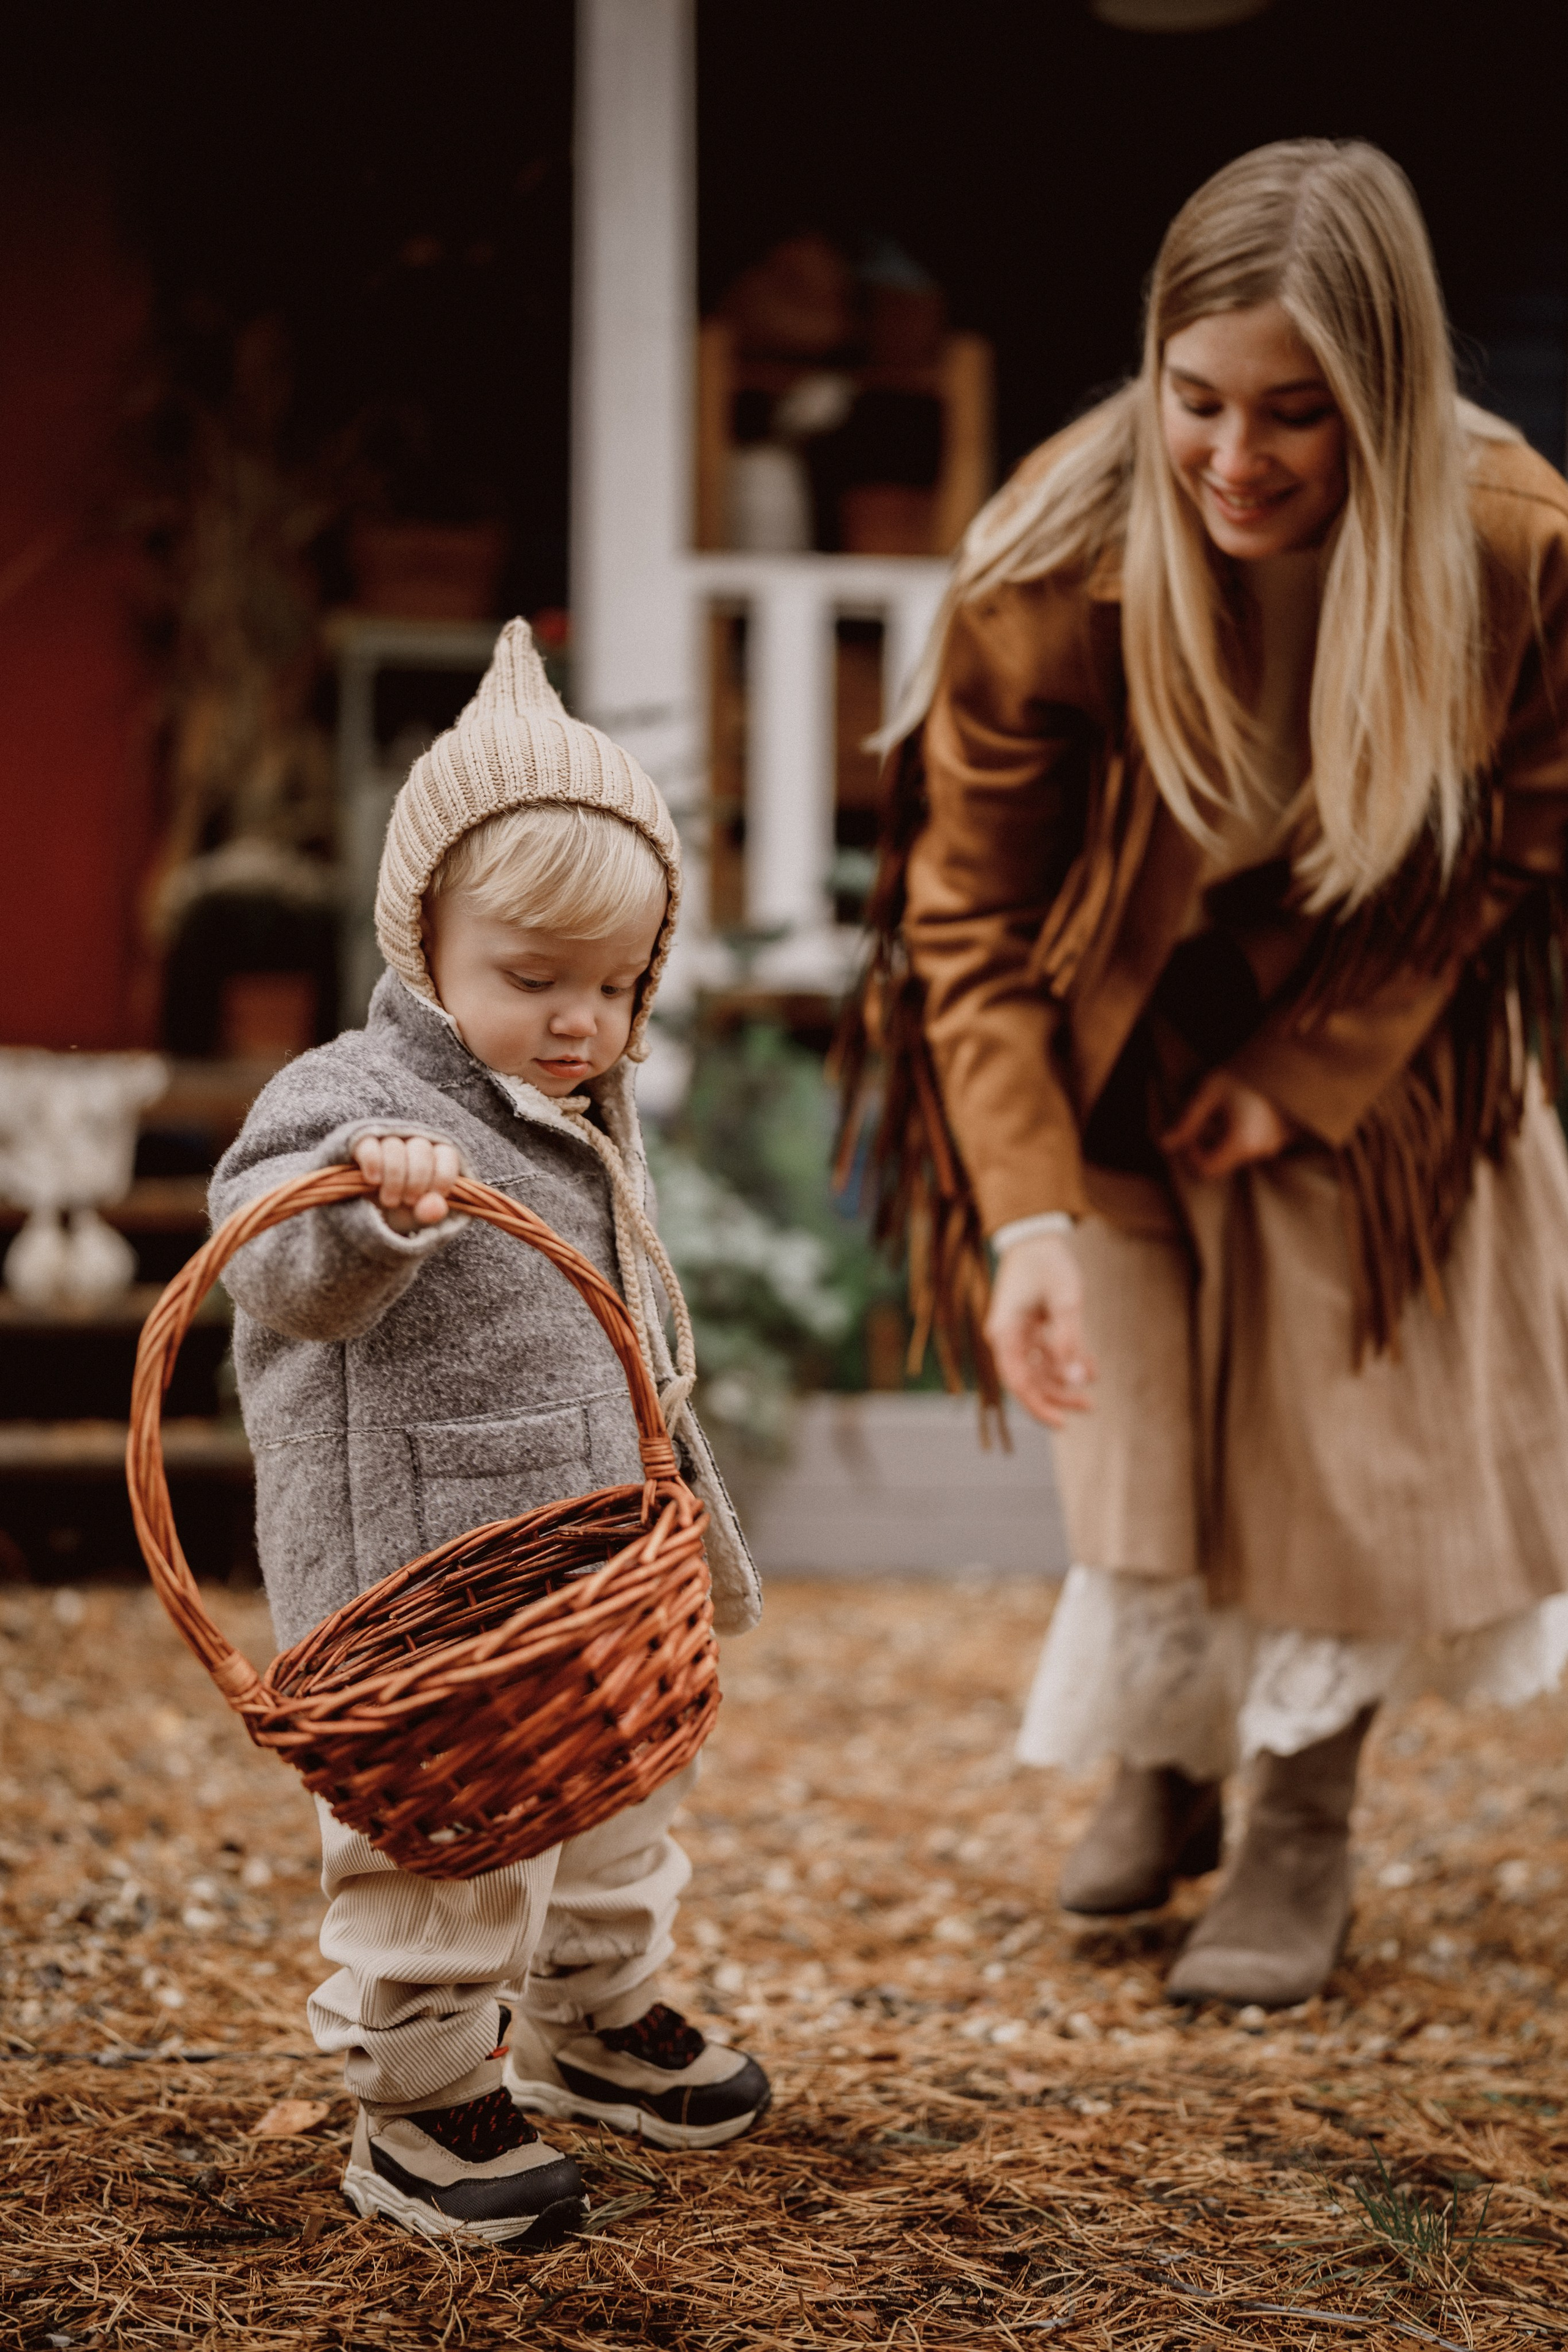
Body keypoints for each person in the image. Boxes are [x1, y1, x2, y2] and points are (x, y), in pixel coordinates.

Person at [843, 140, 1568, 2008]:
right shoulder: (1049, 559)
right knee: (1137, 1398)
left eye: (1297, 414)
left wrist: (1314, 1066)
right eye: (1197, 400)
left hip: (1379, 1010)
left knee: (1347, 1410)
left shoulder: (1511, 538)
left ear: (1387, 398)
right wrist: (1027, 1223)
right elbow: (968, 917)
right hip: (1115, 1016)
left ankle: (1300, 1814)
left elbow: (1528, 826)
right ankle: (1163, 1757)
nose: (1234, 460)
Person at [211, 621, 769, 2245]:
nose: (582, 1019)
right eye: (535, 980)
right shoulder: (355, 1099)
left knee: (617, 1799)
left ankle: (596, 2012)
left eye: (619, 984)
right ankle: (423, 2098)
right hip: (424, 1579)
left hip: (588, 1571)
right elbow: (267, 1253)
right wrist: (366, 1211)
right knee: (441, 1850)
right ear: (423, 943)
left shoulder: (579, 1106)